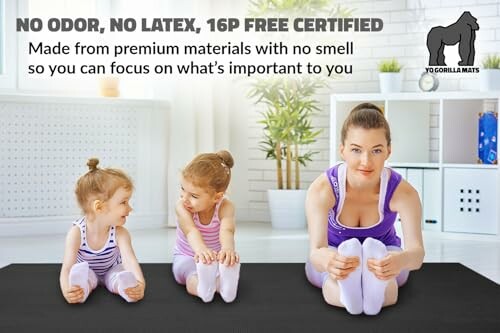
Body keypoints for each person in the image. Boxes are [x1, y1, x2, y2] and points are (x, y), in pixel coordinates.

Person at [305, 103, 425, 315]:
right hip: (335, 251)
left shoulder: (404, 193)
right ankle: (350, 296)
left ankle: (372, 294)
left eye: (376, 150)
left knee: (390, 274)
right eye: (356, 150)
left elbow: (416, 254)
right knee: (325, 273)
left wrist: (399, 261)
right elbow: (316, 251)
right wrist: (330, 261)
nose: (366, 161)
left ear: (388, 150)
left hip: (384, 253)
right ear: (342, 150)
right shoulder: (322, 189)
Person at [60, 158, 145, 304]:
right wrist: (67, 290)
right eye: (123, 202)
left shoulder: (120, 233)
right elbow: (67, 268)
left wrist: (140, 284)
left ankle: (126, 289)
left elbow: (130, 261)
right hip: (87, 270)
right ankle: (80, 289)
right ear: (99, 207)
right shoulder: (76, 233)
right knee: (85, 276)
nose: (130, 208)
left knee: (118, 275)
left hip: (112, 269)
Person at [173, 150, 240, 303]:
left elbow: (227, 230)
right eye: (183, 189)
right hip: (187, 256)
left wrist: (227, 250)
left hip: (215, 259)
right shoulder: (182, 207)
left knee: (219, 268)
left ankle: (225, 286)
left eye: (194, 196)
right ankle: (203, 289)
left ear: (217, 197)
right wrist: (201, 250)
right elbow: (190, 230)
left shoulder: (225, 206)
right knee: (188, 275)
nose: (185, 198)